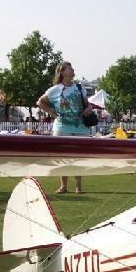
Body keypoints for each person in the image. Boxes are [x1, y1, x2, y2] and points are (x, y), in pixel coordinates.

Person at [37, 61, 92, 194]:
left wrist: (88, 110)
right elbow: (40, 102)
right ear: (62, 72)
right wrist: (52, 113)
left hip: (80, 128)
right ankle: (63, 186)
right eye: (69, 68)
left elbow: (87, 105)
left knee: (78, 158)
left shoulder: (79, 88)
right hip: (61, 128)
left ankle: (78, 187)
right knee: (62, 158)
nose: (73, 70)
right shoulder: (55, 89)